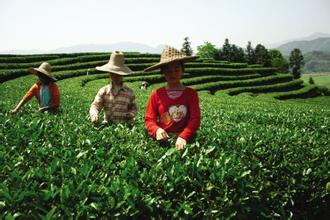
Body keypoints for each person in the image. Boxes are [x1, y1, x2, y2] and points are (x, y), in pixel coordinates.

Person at [144, 46, 201, 150]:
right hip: (163, 141)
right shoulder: (156, 94)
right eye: (168, 70)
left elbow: (195, 119)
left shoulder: (191, 94)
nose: (173, 73)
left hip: (186, 141)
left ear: (182, 70)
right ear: (163, 72)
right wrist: (157, 130)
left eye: (176, 69)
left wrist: (183, 136)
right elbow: (149, 119)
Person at [89, 51, 137, 124]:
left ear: (122, 74)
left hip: (125, 127)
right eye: (113, 73)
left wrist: (131, 114)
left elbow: (133, 107)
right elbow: (95, 105)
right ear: (109, 74)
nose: (115, 76)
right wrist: (94, 114)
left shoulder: (129, 92)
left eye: (118, 74)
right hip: (108, 126)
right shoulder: (104, 91)